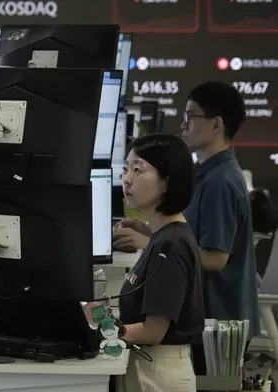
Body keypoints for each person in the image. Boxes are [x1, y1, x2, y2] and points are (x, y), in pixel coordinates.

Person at [113, 81, 261, 374]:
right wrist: (148, 230)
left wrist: (151, 245)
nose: (183, 124)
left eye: (190, 116)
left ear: (216, 124)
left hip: (217, 320)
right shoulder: (206, 173)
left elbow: (216, 258)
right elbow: (190, 232)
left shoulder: (220, 181)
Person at [116, 134, 204, 392]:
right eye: (125, 168)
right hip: (151, 368)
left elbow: (153, 331)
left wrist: (98, 332)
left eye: (137, 169)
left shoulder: (171, 244)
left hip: (158, 374)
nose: (126, 178)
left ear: (166, 182)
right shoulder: (161, 236)